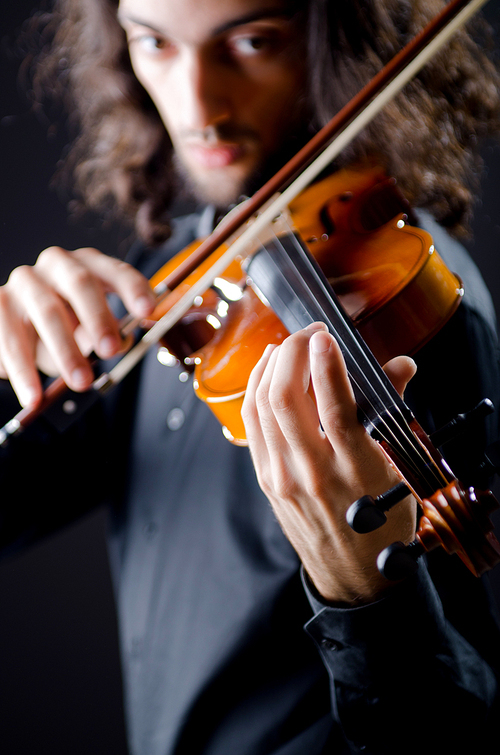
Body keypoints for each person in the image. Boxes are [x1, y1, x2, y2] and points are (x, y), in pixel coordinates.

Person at [1, 0, 500, 752]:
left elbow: (455, 733)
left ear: (337, 39)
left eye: (251, 41)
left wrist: (367, 596)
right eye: (154, 44)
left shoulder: (415, 310)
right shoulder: (169, 299)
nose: (197, 104)